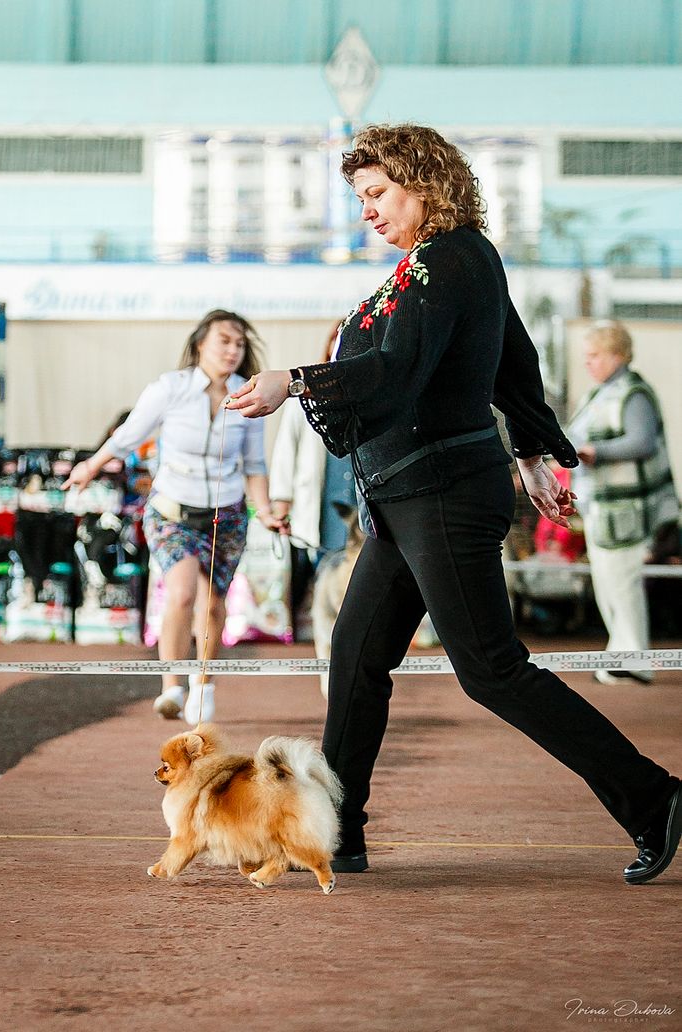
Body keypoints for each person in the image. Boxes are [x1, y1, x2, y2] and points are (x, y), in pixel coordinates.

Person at [227, 124, 681, 885]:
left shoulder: (453, 257)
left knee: (491, 670)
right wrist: (530, 457)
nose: (366, 210)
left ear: (423, 183)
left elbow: (399, 366)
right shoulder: (433, 265)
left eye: (377, 193)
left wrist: (294, 381)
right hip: (406, 499)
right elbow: (511, 360)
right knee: (355, 658)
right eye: (361, 197)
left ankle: (654, 799)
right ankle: (334, 834)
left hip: (440, 493)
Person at [64, 309, 286, 723]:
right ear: (200, 344)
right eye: (224, 341)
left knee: (214, 604)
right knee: (181, 593)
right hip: (172, 512)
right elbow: (129, 434)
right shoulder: (171, 387)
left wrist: (267, 511)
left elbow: (255, 465)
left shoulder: (249, 394)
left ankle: (204, 684)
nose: (233, 350)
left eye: (240, 344)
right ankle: (171, 687)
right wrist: (90, 466)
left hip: (227, 515)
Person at [568, 320, 679, 684]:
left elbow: (641, 442)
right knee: (608, 584)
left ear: (617, 355)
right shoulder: (598, 395)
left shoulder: (634, 394)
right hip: (603, 509)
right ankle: (621, 656)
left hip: (628, 511)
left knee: (622, 583)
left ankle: (634, 660)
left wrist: (595, 452)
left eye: (595, 355)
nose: (588, 362)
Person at [268, 324, 357, 638]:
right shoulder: (303, 391)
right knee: (322, 569)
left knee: (358, 573)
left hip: (359, 500)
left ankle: (346, 637)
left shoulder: (371, 392)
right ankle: (324, 638)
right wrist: (281, 501)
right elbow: (286, 449)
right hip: (321, 501)